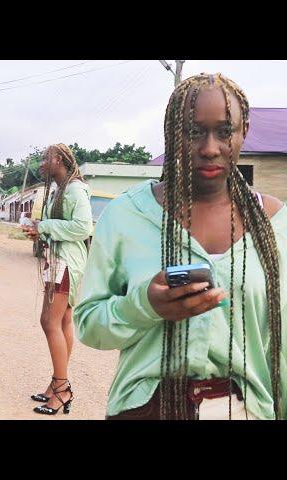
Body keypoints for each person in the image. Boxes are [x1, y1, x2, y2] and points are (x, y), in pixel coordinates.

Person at [74, 73, 286, 420]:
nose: (209, 148)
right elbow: (88, 324)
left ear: (243, 131)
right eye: (193, 132)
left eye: (224, 131)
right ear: (173, 134)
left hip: (244, 410)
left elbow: (283, 346)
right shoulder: (127, 215)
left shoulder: (276, 224)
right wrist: (144, 305)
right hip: (146, 409)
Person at [22, 144, 93, 415]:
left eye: (46, 158)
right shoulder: (59, 189)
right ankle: (56, 384)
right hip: (58, 261)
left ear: (61, 160)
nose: (42, 163)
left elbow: (83, 227)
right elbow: (60, 227)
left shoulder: (75, 189)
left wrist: (45, 227)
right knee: (62, 321)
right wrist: (40, 233)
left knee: (48, 321)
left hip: (66, 264)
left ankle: (62, 388)